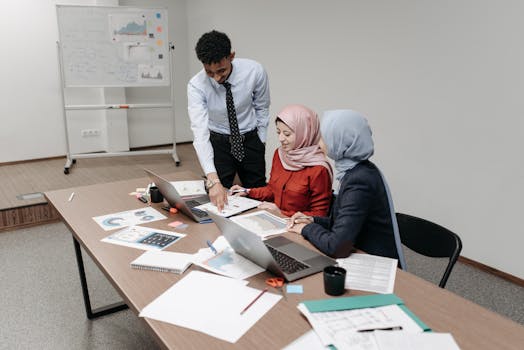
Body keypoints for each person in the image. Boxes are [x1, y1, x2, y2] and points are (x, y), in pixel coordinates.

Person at [287, 109, 400, 260]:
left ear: (341, 140)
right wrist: (313, 220)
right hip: (359, 251)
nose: (319, 144)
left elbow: (337, 246)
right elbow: (342, 222)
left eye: (323, 137)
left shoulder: (359, 181)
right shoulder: (357, 170)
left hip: (375, 264)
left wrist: (306, 229)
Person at [187, 30, 270, 211]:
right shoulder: (196, 85)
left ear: (231, 56)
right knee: (218, 199)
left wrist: (261, 141)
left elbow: (262, 108)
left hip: (250, 139)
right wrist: (212, 179)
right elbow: (200, 133)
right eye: (210, 72)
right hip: (219, 141)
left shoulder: (254, 71)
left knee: (257, 195)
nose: (216, 78)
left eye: (221, 70)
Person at [231, 104, 332, 217]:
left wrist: (281, 214)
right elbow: (272, 190)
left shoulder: (319, 169)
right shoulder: (280, 155)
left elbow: (319, 215)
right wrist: (248, 192)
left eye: (287, 134)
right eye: (278, 132)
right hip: (275, 220)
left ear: (304, 133)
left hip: (299, 229)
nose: (281, 139)